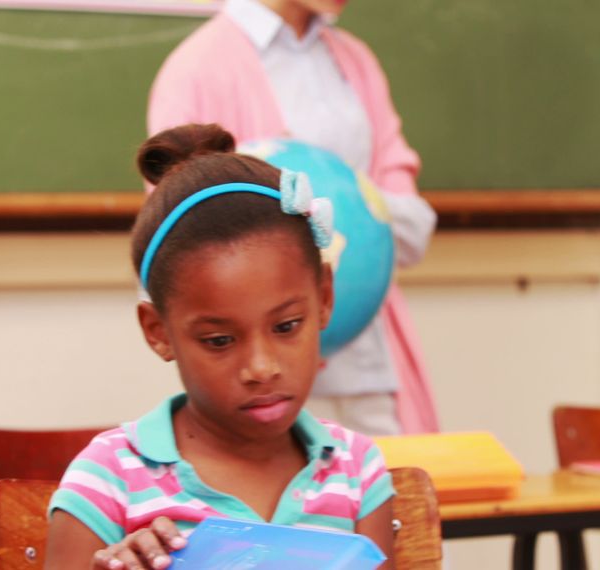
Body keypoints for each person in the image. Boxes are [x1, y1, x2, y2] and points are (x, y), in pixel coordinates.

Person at [44, 124, 395, 569]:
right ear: (158, 331)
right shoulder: (108, 481)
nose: (261, 367)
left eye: (286, 326)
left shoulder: (356, 474)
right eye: (220, 340)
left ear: (324, 298)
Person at [147, 0, 438, 435]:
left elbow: (413, 227)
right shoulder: (195, 69)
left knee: (391, 492)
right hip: (263, 377)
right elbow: (178, 238)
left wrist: (340, 209)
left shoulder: (355, 61)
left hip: (368, 361)